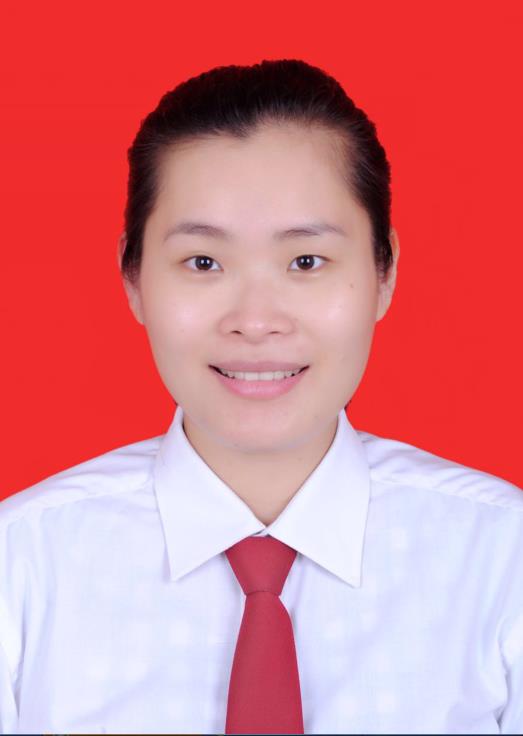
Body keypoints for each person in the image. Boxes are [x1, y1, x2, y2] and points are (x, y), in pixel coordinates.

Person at [1, 58, 521, 735]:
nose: (254, 320)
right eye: (203, 262)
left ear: (384, 272)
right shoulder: (21, 566)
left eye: (306, 262)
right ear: (133, 278)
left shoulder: (501, 559)